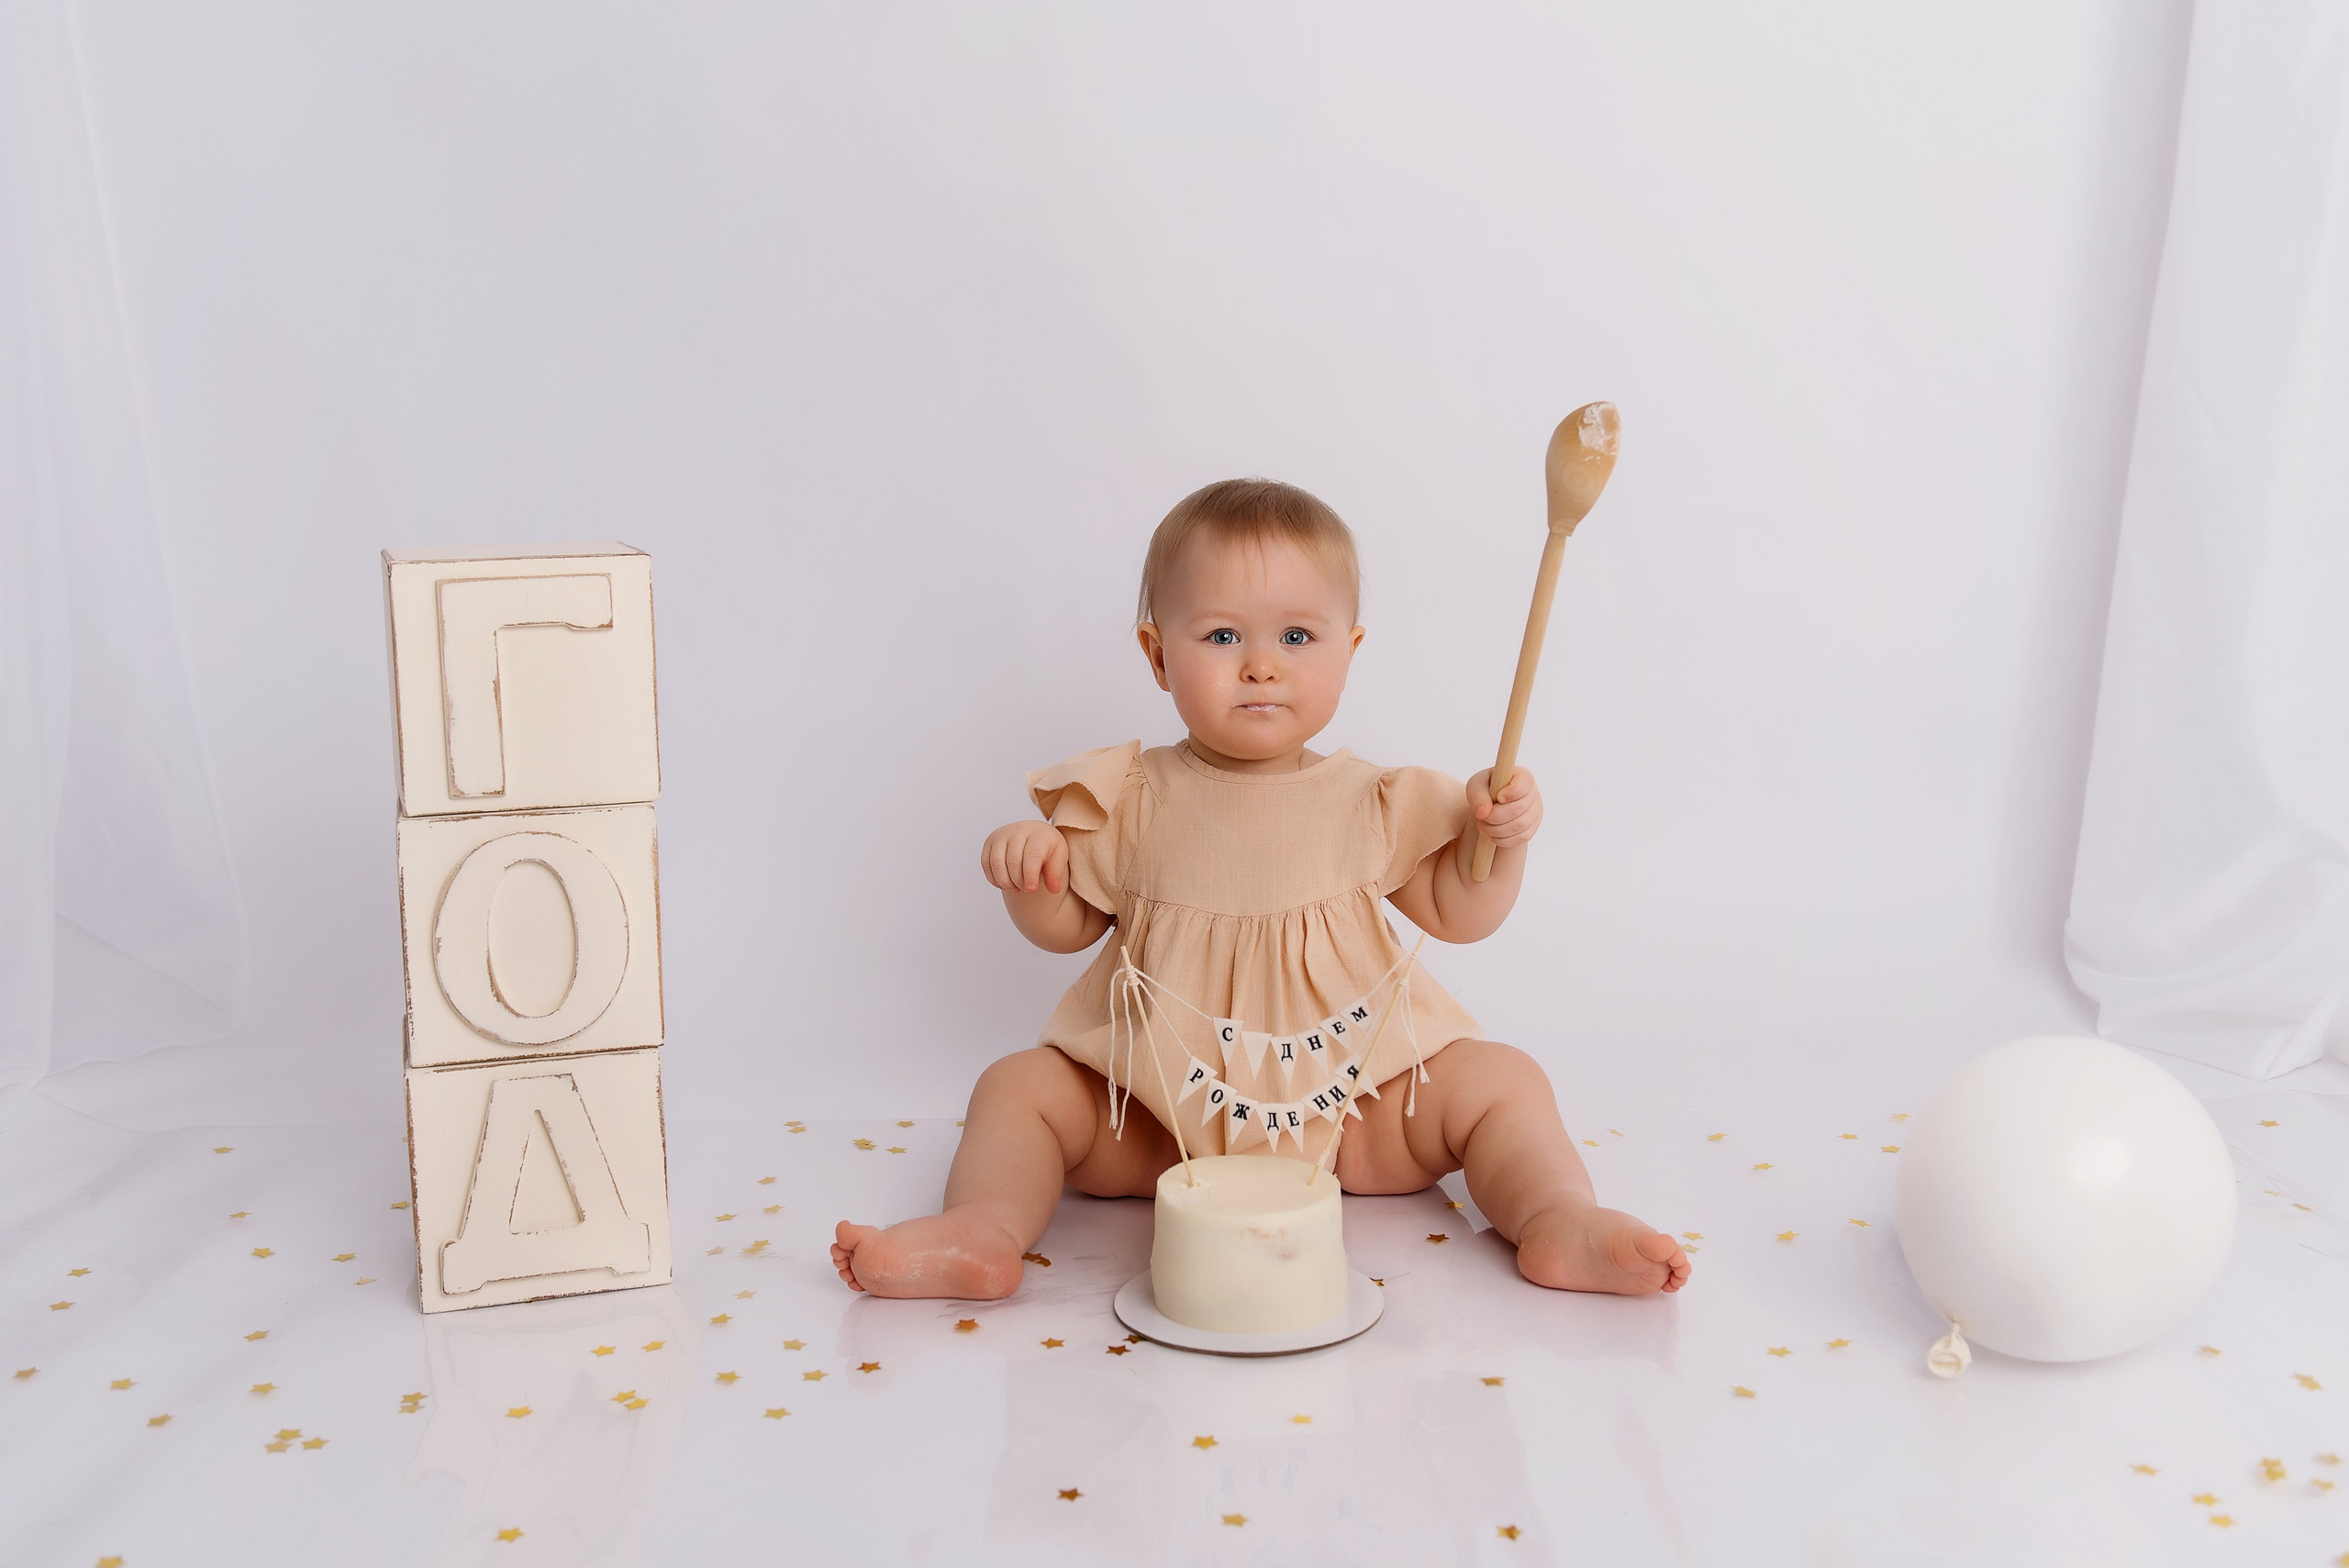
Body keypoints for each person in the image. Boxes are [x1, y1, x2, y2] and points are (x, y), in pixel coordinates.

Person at [832, 479, 1690, 1300]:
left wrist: (1502, 846)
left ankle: (1557, 1216)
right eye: (1220, 637)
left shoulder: (1371, 800)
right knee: (1018, 1088)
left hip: (1354, 1109)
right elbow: (1067, 928)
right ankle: (981, 1228)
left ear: (1349, 652)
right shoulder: (1128, 795)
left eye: (1295, 638)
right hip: (1155, 1117)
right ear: (1157, 654)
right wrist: (1034, 874)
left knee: (1503, 1080)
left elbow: (1461, 915)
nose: (1260, 668)